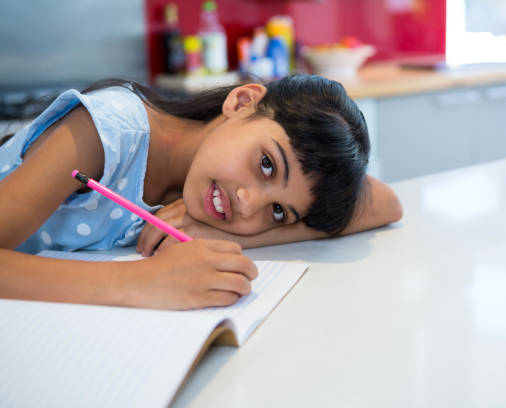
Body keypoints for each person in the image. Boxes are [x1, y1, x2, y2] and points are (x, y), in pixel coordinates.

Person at [0, 74, 402, 310]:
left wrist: (221, 233)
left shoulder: (209, 190)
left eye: (278, 211)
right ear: (243, 102)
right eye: (266, 164)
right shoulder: (110, 132)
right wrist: (141, 281)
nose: (248, 204)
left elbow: (385, 202)